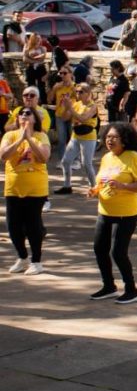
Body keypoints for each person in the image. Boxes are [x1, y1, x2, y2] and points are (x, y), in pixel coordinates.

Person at [89, 122, 137, 303]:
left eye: (114, 137)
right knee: (99, 249)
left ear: (124, 140)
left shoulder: (133, 157)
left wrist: (124, 186)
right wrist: (95, 190)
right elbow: (102, 180)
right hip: (105, 211)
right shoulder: (107, 157)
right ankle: (109, 286)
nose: (110, 140)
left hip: (126, 213)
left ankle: (131, 289)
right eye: (108, 137)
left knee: (118, 252)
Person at [3, 106, 50, 275]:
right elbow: (4, 156)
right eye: (20, 114)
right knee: (13, 225)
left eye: (28, 113)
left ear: (35, 119)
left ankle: (36, 261)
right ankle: (22, 257)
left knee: (33, 225)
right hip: (13, 187)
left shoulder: (41, 136)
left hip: (35, 188)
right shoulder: (9, 135)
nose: (24, 115)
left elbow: (44, 158)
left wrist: (29, 139)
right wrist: (20, 139)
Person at [55, 83, 99, 195]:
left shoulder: (92, 106)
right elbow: (65, 118)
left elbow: (84, 118)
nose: (78, 94)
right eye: (77, 92)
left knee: (86, 163)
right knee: (66, 161)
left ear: (88, 93)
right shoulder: (76, 104)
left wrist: (71, 109)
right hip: (76, 136)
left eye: (81, 92)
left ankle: (93, 187)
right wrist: (66, 108)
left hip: (88, 137)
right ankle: (67, 185)